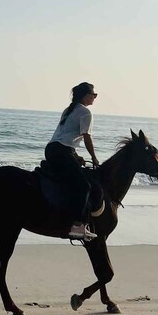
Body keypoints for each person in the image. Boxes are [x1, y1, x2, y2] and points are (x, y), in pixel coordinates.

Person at [45, 81, 100, 241]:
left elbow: (65, 137)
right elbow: (87, 137)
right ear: (86, 96)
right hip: (62, 152)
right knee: (84, 186)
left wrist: (76, 157)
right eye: (93, 95)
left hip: (52, 149)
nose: (95, 98)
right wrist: (94, 158)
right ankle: (77, 225)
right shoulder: (85, 113)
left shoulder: (69, 110)